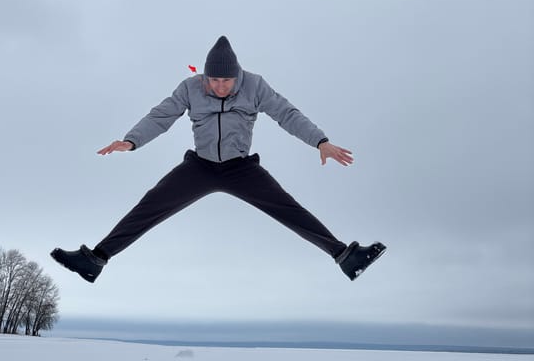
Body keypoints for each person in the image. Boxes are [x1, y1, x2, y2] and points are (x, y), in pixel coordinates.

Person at [51, 36, 385, 284]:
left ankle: (345, 256)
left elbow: (286, 113)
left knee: (288, 209)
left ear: (237, 76)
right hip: (200, 166)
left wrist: (320, 141)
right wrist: (131, 140)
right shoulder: (191, 87)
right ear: (205, 76)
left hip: (242, 169)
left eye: (226, 81)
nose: (220, 86)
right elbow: (161, 115)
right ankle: (95, 259)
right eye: (214, 80)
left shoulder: (255, 86)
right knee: (150, 206)